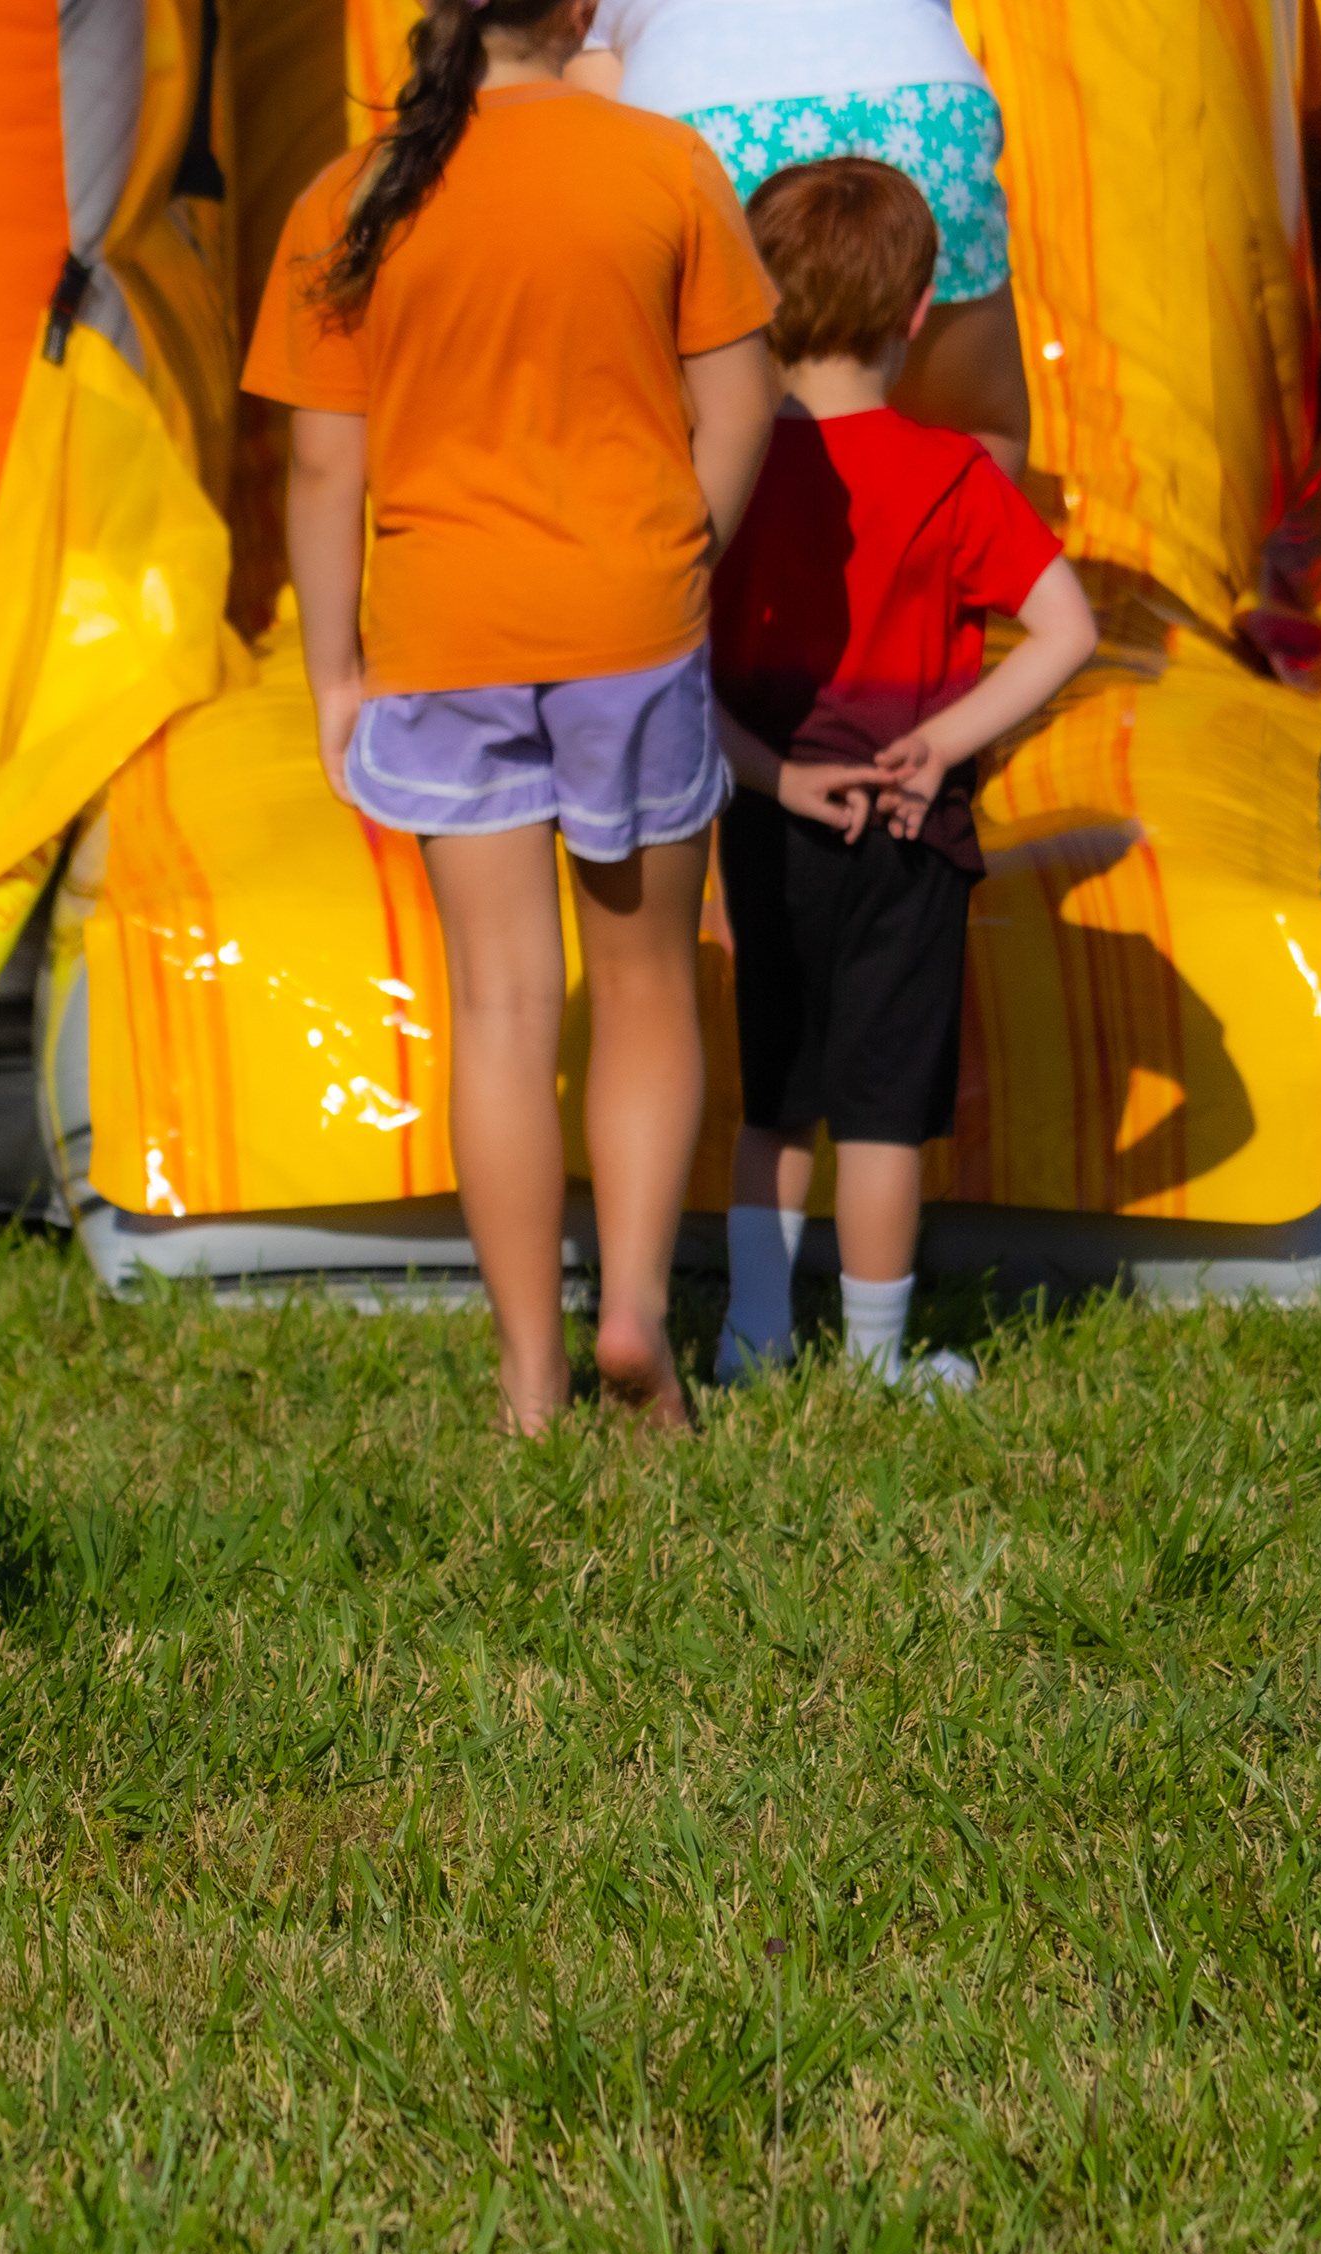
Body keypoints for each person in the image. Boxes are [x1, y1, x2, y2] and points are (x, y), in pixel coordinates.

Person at [243, 0, 780, 1435]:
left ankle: (529, 1376)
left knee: (500, 1007)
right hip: (632, 621)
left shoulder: (351, 194)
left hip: (437, 637)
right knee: (650, 988)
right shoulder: (664, 163)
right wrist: (682, 559)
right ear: (586, 10)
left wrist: (334, 675)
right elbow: (742, 411)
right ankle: (638, 1320)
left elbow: (316, 472)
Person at [707, 159, 1097, 1392]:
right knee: (880, 1110)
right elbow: (1071, 631)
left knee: (773, 1095)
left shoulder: (725, 473)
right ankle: (877, 1362)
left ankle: (752, 1338)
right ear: (919, 313)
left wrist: (776, 779)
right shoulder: (954, 477)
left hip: (770, 823)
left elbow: (675, 672)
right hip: (909, 832)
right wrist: (943, 738)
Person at [570, 0, 1037, 489]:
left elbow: (592, 93)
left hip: (703, 123)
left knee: (697, 450)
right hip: (917, 103)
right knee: (978, 435)